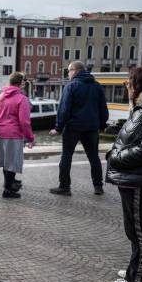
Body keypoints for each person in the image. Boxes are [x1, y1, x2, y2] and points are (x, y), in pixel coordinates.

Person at [104, 66, 142, 282]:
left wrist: (116, 158)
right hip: (137, 177)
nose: (127, 85)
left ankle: (135, 281)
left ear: (140, 84)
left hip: (137, 178)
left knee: (138, 230)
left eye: (130, 81)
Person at [49, 60, 108, 196]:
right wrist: (102, 125)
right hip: (92, 128)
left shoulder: (71, 86)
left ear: (74, 71)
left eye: (68, 71)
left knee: (66, 156)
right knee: (94, 157)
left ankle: (64, 187)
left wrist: (58, 128)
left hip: (73, 127)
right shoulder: (97, 86)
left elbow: (64, 109)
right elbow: (103, 109)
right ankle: (98, 187)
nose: (68, 74)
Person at [0, 72, 35, 199]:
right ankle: (8, 190)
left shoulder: (1, 96)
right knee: (12, 163)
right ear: (20, 83)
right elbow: (24, 121)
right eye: (24, 81)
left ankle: (8, 185)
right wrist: (30, 137)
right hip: (13, 134)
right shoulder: (22, 99)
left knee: (6, 162)